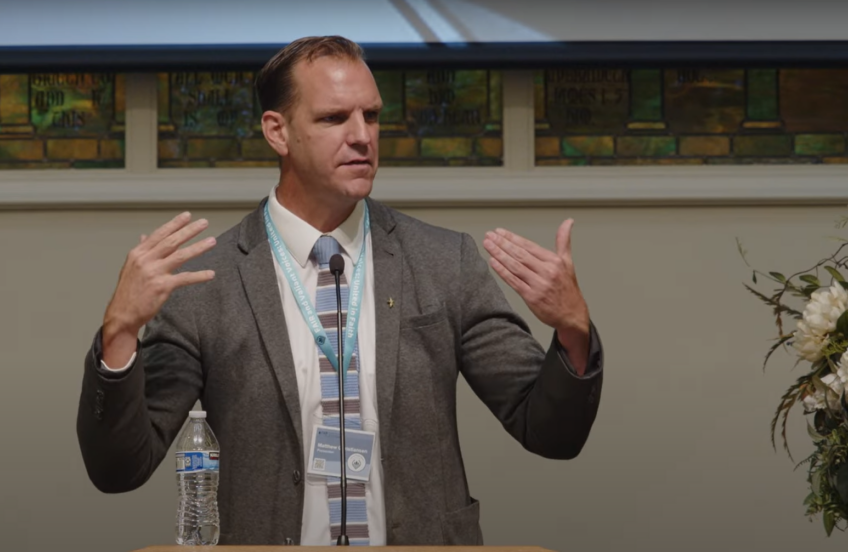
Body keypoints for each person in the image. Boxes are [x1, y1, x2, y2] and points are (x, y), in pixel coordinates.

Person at [77, 35, 603, 546]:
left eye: (370, 116)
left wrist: (572, 331)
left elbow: (551, 434)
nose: (362, 136)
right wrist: (120, 334)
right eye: (334, 118)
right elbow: (120, 468)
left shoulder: (444, 262)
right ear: (277, 132)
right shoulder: (207, 282)